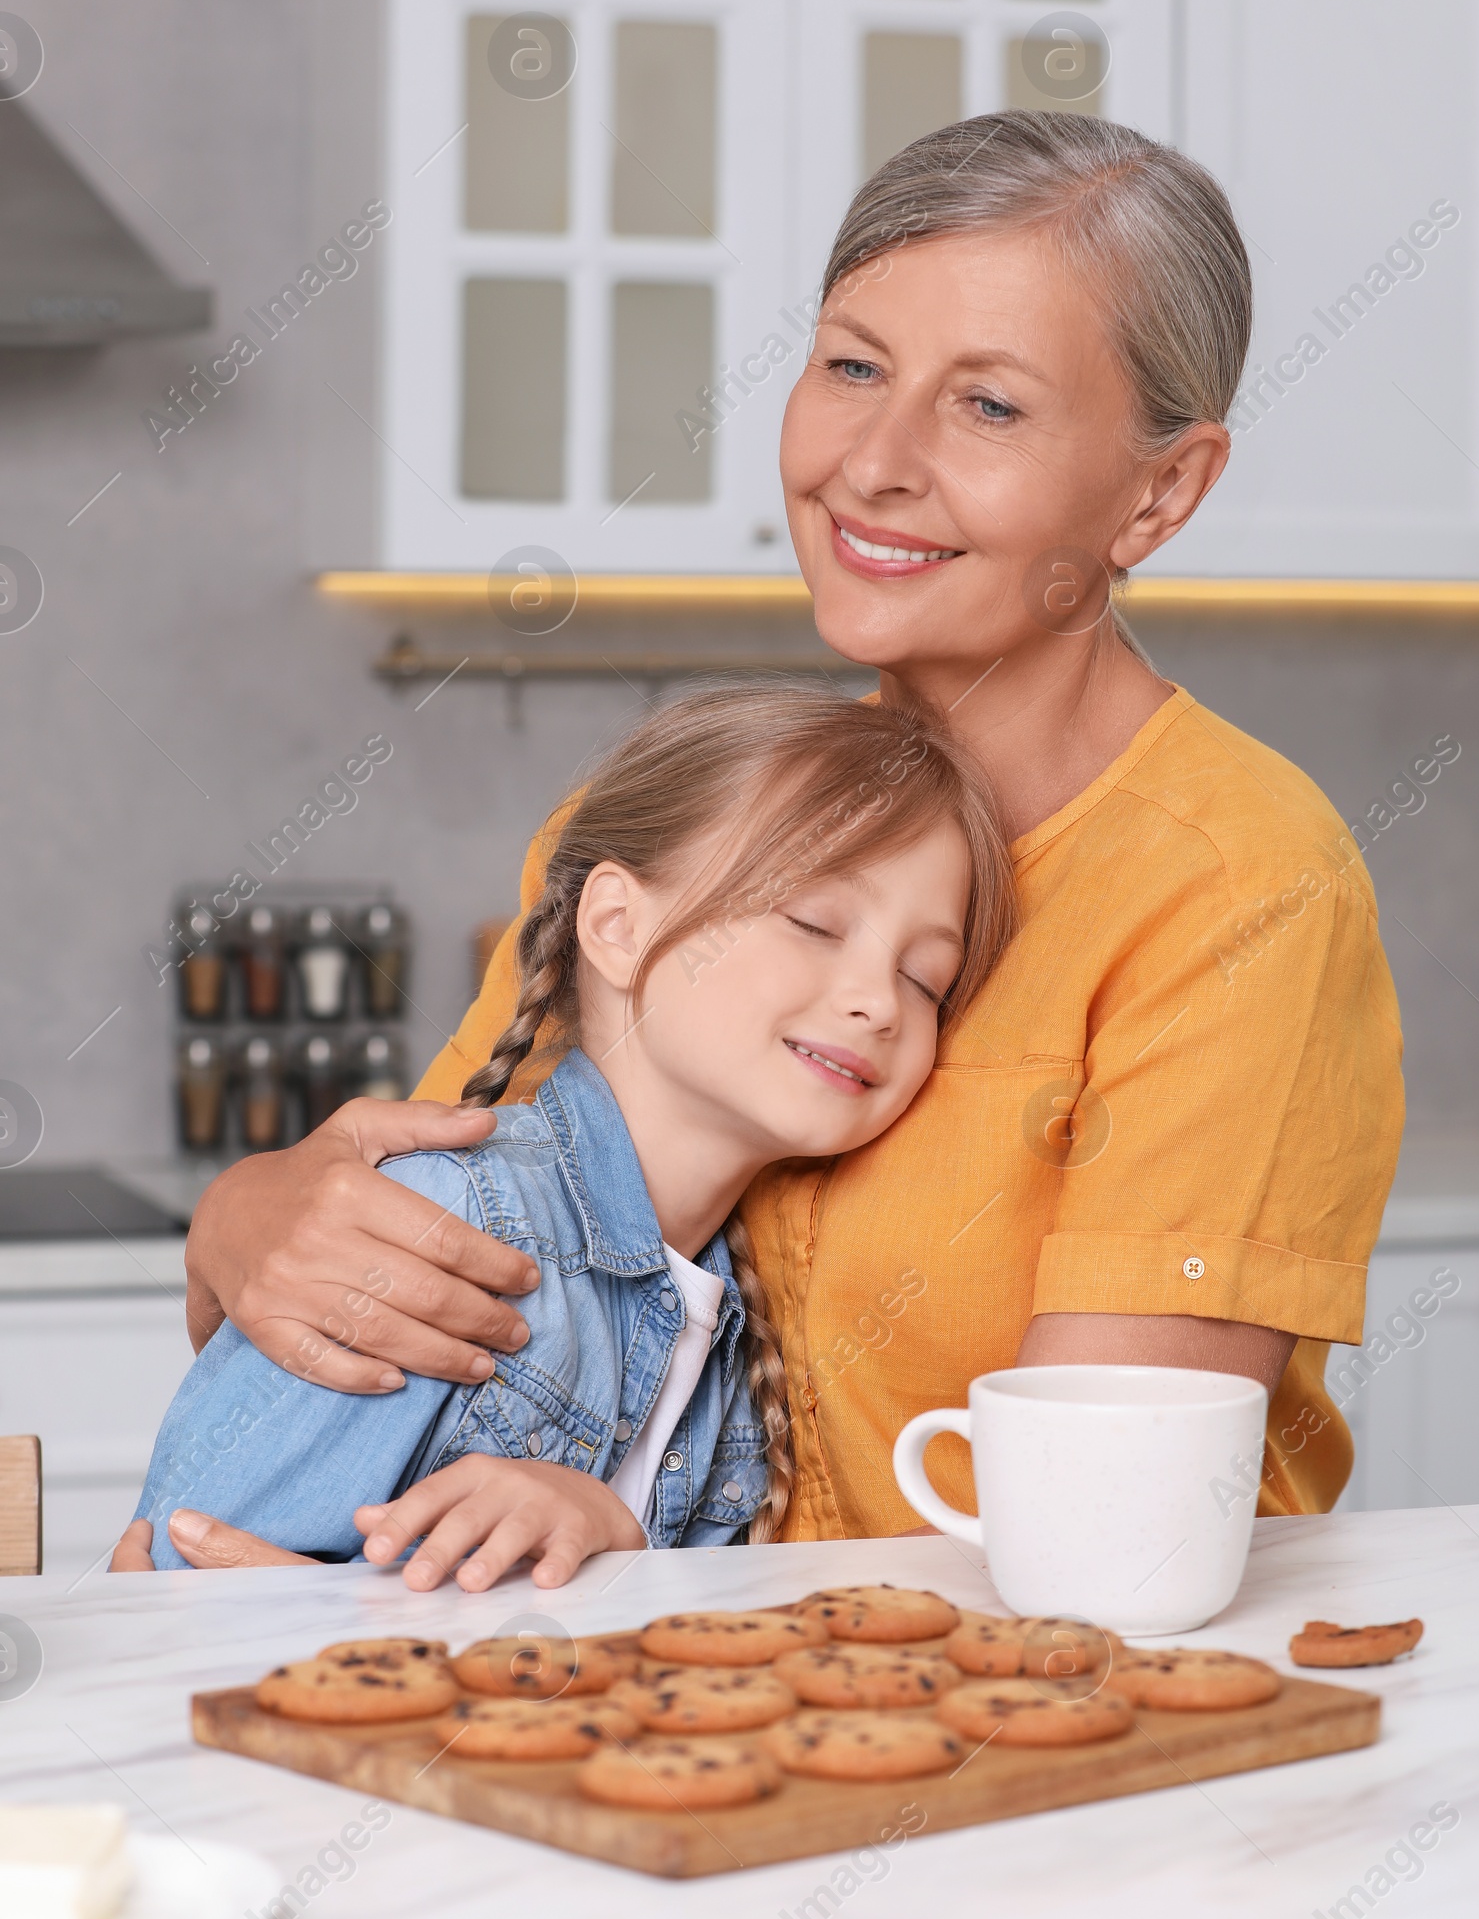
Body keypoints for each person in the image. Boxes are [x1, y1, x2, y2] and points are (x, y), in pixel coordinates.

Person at [159, 110, 1405, 1566]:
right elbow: (448, 1275)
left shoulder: (1238, 888)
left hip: (1040, 1751)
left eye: (988, 406)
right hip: (640, 1724)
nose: (872, 463)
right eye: (854, 366)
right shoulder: (681, 833)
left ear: (1162, 491)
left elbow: (1105, 1547)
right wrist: (242, 1229)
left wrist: (606, 1565)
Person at [123, 686, 1014, 1585]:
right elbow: (181, 1586)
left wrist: (614, 1538)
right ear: (618, 927)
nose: (876, 1000)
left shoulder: (733, 1334)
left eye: (924, 978)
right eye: (814, 923)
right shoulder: (441, 1224)